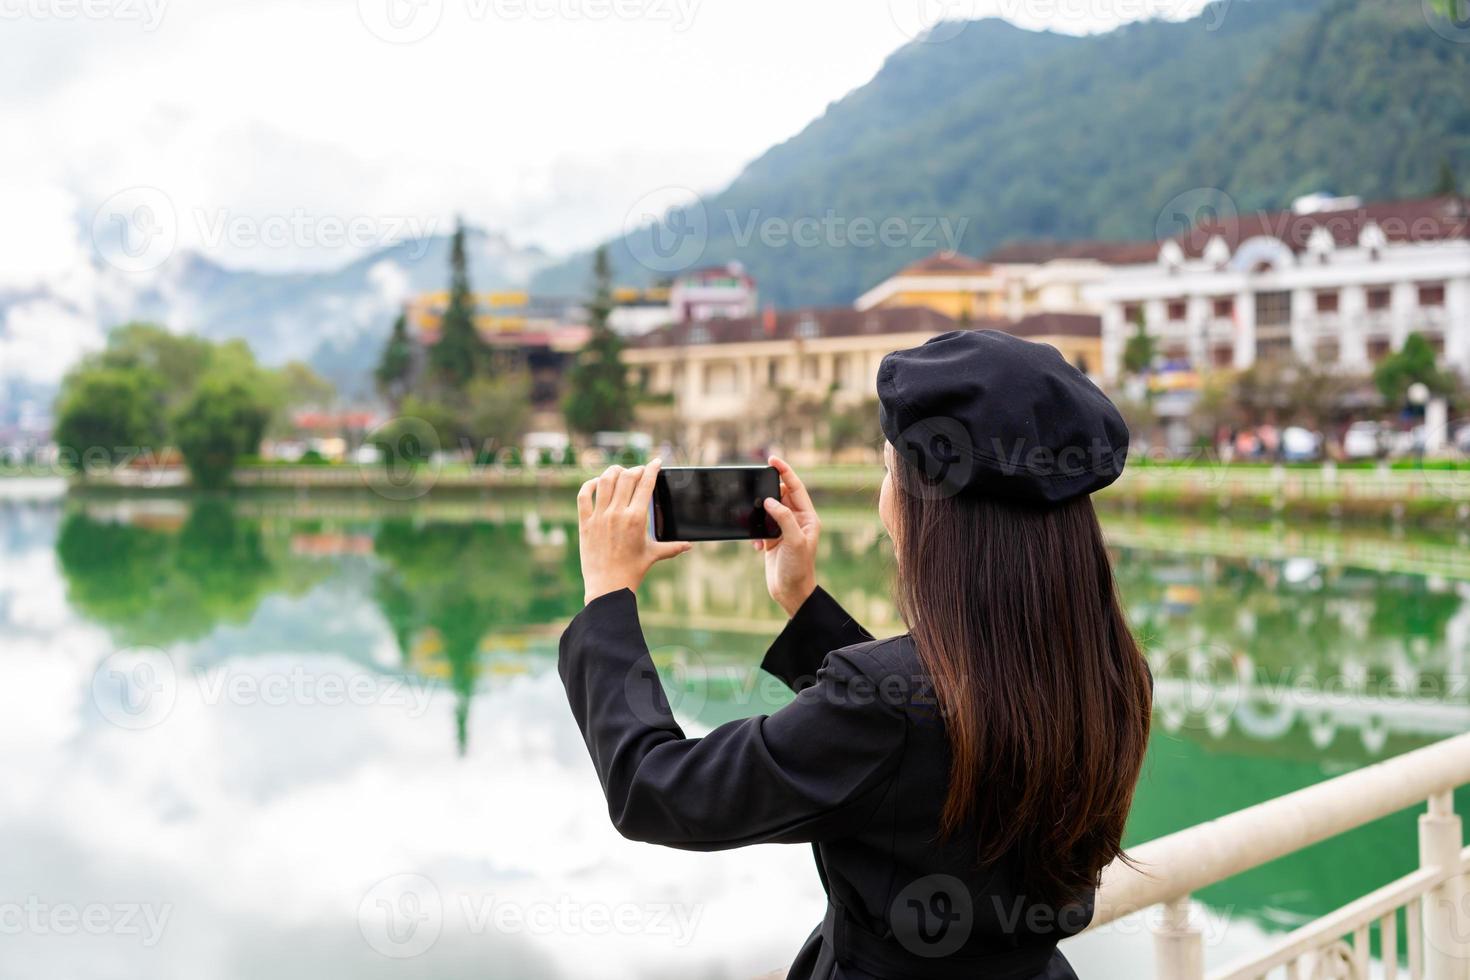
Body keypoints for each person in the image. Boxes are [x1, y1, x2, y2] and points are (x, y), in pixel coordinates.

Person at [560, 330, 1154, 979]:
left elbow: (659, 788)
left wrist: (607, 598)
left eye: (887, 468)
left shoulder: (889, 706)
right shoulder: (1111, 670)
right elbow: (930, 731)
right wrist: (803, 600)